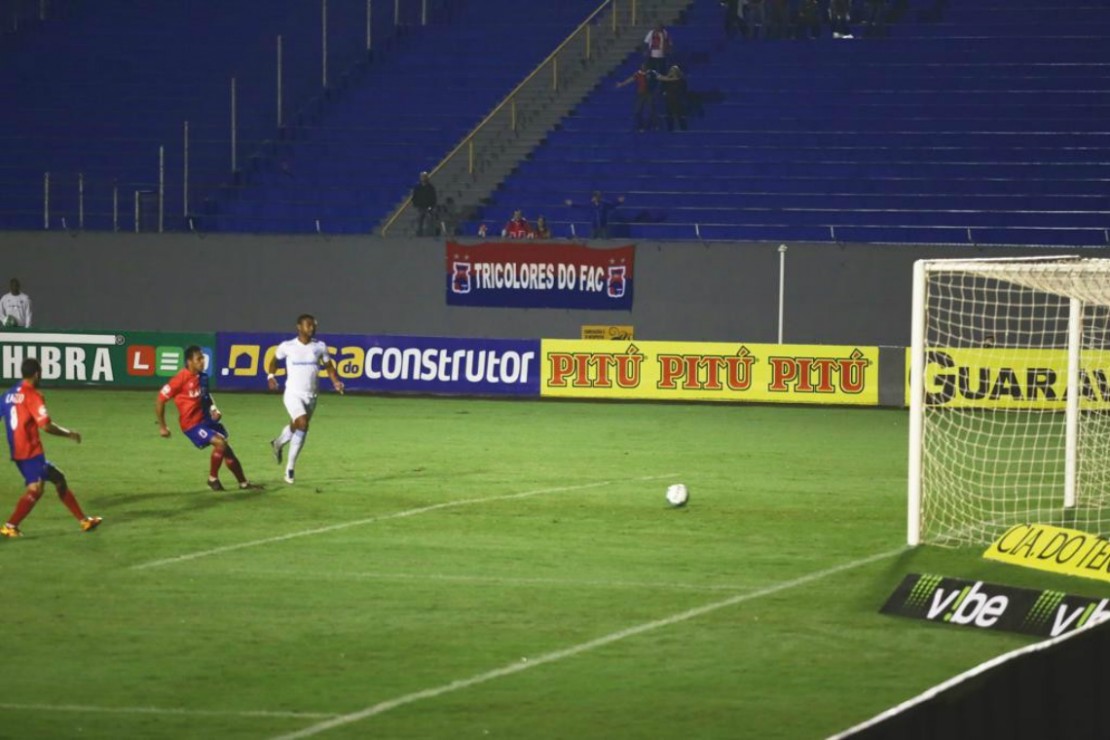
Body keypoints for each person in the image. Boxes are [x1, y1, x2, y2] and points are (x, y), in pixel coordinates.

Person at [0, 358, 100, 538]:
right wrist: (69, 433)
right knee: (36, 490)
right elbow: (45, 425)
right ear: (37, 374)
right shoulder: (33, 395)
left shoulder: (7, 394)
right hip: (30, 451)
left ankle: (84, 520)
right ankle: (10, 525)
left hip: (18, 449)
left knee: (58, 478)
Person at [156, 346, 261, 492]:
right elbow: (160, 399)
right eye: (198, 358)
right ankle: (212, 479)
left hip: (205, 421)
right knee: (221, 444)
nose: (202, 361)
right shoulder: (180, 379)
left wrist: (213, 409)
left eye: (203, 358)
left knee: (228, 450)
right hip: (191, 425)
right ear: (189, 361)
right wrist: (162, 426)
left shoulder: (203, 377)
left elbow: (206, 396)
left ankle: (243, 483)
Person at [267, 314, 345, 485]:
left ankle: (278, 443)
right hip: (293, 394)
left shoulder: (320, 346)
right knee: (302, 423)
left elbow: (328, 365)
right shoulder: (287, 346)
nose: (312, 328)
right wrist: (271, 376)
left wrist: (336, 382)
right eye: (308, 325)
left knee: (297, 425)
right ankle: (290, 468)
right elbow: (274, 360)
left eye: (313, 325)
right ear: (299, 327)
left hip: (312, 396)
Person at [615, 61, 656, 132]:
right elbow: (631, 79)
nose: (644, 67)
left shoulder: (651, 73)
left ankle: (653, 125)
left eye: (645, 66)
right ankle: (641, 126)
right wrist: (622, 84)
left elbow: (659, 78)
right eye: (643, 66)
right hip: (640, 94)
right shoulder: (637, 74)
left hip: (649, 93)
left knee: (651, 110)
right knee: (638, 111)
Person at [654, 65, 689, 132]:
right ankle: (670, 130)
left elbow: (684, 90)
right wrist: (663, 92)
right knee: (669, 116)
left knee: (680, 116)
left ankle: (684, 130)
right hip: (669, 100)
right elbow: (662, 88)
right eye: (671, 71)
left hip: (678, 100)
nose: (671, 72)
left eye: (673, 71)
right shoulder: (667, 80)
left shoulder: (681, 80)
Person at [411, 171, 438, 237]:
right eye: (422, 177)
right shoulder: (417, 188)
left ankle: (430, 235)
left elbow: (433, 198)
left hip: (428, 207)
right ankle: (419, 235)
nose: (423, 178)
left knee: (429, 221)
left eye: (424, 177)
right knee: (419, 222)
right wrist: (416, 204)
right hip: (420, 207)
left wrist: (431, 206)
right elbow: (414, 197)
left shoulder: (430, 188)